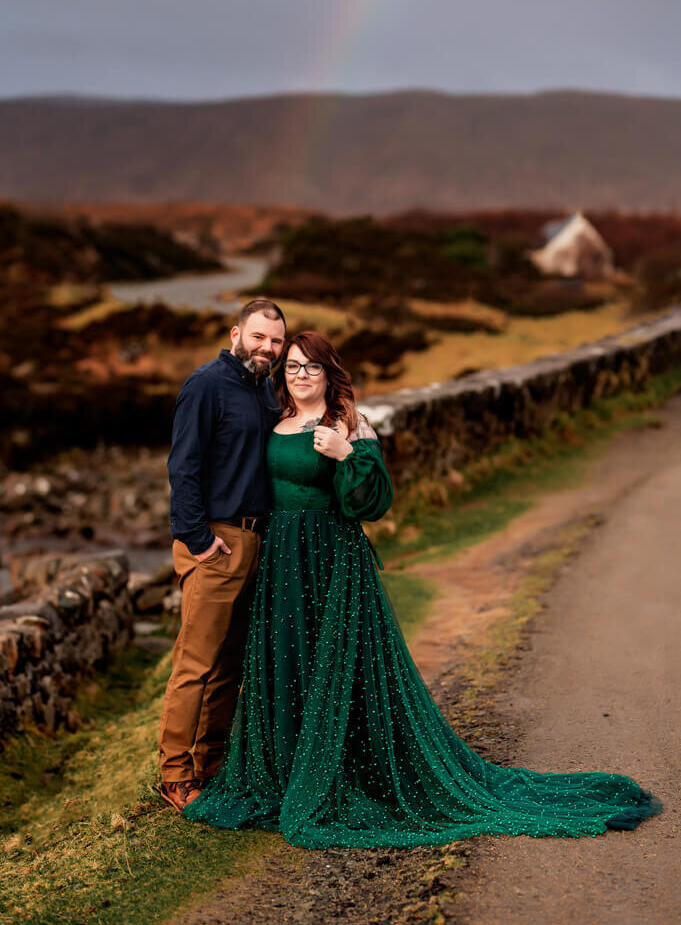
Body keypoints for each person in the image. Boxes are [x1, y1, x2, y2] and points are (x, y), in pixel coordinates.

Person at [183, 330, 662, 847]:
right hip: (281, 563)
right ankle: (283, 772)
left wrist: (347, 455)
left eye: (311, 368)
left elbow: (372, 503)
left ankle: (341, 774)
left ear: (329, 374)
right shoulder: (272, 422)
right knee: (287, 664)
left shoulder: (348, 424)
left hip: (332, 563)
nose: (300, 375)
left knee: (339, 670)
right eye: (293, 366)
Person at [158, 298, 286, 813]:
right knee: (195, 662)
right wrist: (198, 540)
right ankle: (174, 774)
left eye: (276, 341)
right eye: (258, 337)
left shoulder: (267, 392)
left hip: (256, 542)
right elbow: (182, 467)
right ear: (236, 333)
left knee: (230, 662)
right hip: (215, 542)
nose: (268, 349)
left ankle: (211, 763)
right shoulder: (206, 385)